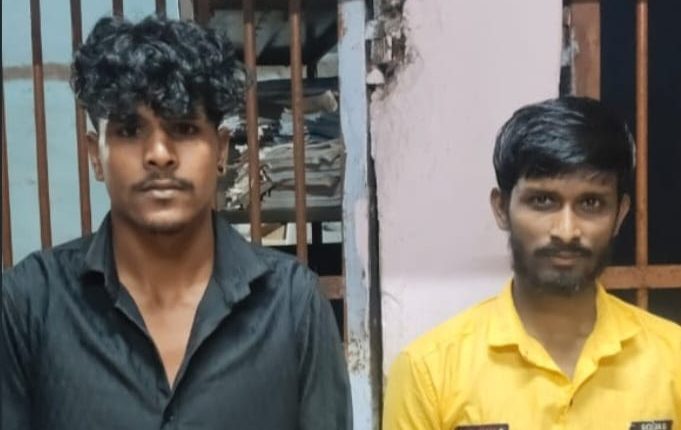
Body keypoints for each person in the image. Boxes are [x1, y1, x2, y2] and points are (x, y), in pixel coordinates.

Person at [1, 15, 351, 430]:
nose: (160, 154)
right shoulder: (28, 305)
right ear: (96, 155)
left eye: (184, 127)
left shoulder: (292, 306)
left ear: (221, 150)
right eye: (130, 129)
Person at [383, 97, 681, 429]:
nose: (566, 231)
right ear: (501, 208)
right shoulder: (429, 372)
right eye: (542, 200)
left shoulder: (673, 360)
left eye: (591, 203)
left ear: (620, 214)